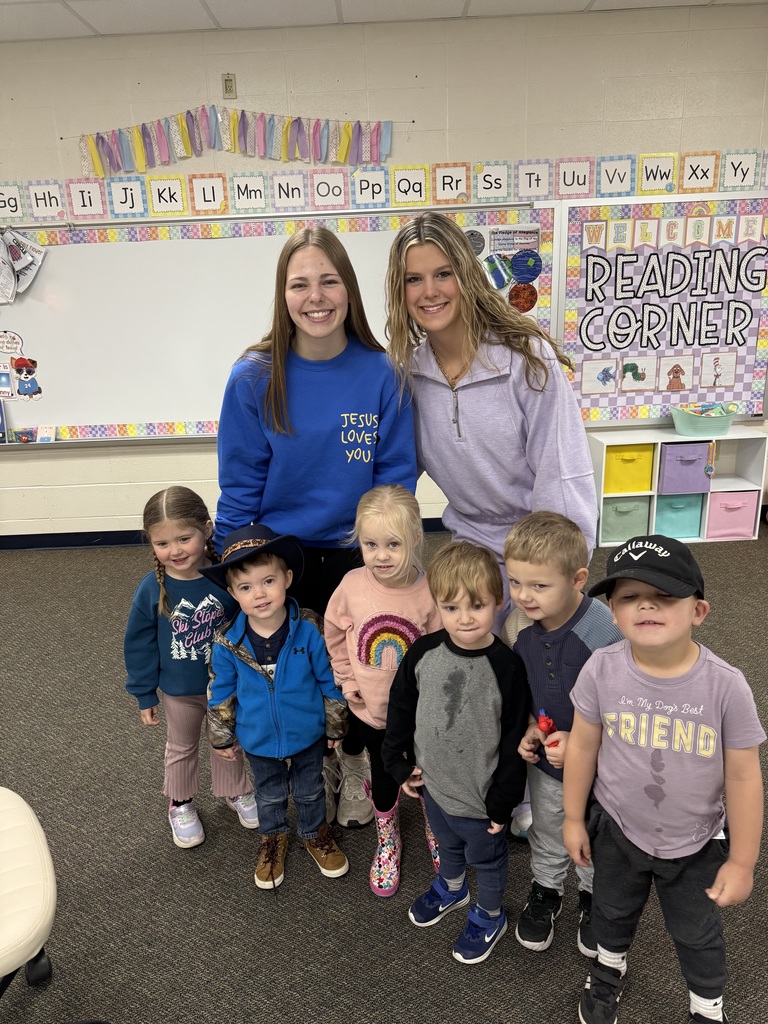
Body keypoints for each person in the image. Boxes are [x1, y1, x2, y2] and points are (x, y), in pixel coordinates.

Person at [216, 226, 417, 829]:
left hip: (359, 555)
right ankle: (306, 764)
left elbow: (396, 480)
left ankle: (354, 763)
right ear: (283, 296)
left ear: (349, 289)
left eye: (329, 280)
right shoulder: (253, 376)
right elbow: (240, 481)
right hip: (278, 557)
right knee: (296, 671)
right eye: (299, 283)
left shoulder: (384, 373)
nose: (316, 296)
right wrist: (230, 571)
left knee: (363, 667)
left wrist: (392, 559)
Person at [563, 535, 765, 1024]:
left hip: (695, 841)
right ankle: (609, 969)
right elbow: (583, 745)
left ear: (699, 611)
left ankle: (706, 1008)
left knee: (697, 934)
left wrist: (742, 861)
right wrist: (572, 818)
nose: (646, 603)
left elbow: (742, 776)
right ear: (612, 611)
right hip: (618, 828)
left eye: (665, 594)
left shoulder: (726, 685)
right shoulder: (601, 669)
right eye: (629, 596)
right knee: (610, 912)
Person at [385, 211, 597, 634]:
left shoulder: (526, 359)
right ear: (400, 289)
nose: (430, 292)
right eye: (414, 279)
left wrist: (552, 579)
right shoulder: (407, 373)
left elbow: (562, 478)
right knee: (455, 660)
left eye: (443, 274)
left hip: (537, 549)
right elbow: (395, 471)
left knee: (534, 659)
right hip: (471, 548)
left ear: (466, 275)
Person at [382, 541, 528, 965]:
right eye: (451, 607)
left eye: (477, 605)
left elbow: (514, 738)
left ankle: (490, 913)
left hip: (481, 799)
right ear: (437, 606)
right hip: (433, 786)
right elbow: (401, 709)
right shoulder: (423, 653)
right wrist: (397, 763)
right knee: (447, 845)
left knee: (488, 859)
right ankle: (452, 886)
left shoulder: (507, 667)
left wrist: (504, 800)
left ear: (497, 602)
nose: (464, 618)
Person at [203, 524, 349, 890]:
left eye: (268, 581)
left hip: (307, 732)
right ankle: (273, 838)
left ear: (286, 578)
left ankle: (315, 832)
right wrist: (222, 737)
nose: (260, 594)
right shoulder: (227, 642)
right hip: (257, 737)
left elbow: (328, 682)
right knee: (268, 794)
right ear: (233, 593)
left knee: (310, 789)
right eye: (246, 587)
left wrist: (335, 726)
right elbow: (220, 692)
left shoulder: (310, 628)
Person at [502, 511, 622, 958]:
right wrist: (533, 726)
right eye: (515, 582)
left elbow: (629, 701)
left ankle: (593, 898)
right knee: (549, 826)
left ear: (578, 579)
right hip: (548, 765)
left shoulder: (605, 630)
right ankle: (546, 890)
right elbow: (528, 690)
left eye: (538, 585)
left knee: (595, 830)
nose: (523, 596)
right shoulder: (517, 628)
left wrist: (585, 741)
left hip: (603, 765)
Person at [124, 486, 259, 850]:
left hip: (226, 688)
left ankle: (235, 792)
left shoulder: (226, 579)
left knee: (229, 742)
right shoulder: (152, 589)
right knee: (181, 747)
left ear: (207, 529)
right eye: (163, 543)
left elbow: (248, 628)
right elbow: (139, 645)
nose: (176, 551)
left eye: (184, 538)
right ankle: (180, 803)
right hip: (179, 691)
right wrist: (142, 692)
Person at [325, 485, 443, 897]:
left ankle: (436, 827)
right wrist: (346, 678)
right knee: (385, 771)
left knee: (428, 770)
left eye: (392, 544)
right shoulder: (352, 585)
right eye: (370, 544)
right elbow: (335, 633)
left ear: (414, 539)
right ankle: (387, 838)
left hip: (420, 714)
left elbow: (442, 652)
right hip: (371, 710)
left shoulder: (429, 593)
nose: (381, 555)